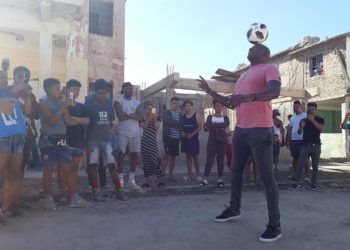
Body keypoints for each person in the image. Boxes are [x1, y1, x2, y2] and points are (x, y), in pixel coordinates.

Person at [198, 43, 282, 242]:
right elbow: (231, 102)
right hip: (241, 131)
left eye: (255, 48)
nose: (250, 49)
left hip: (261, 130)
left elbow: (274, 91)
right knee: (235, 172)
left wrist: (249, 97)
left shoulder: (269, 69)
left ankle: (275, 225)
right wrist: (210, 91)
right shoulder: (243, 77)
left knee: (267, 178)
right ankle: (234, 208)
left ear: (264, 54)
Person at [38, 78, 91, 210]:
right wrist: (64, 106)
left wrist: (73, 114)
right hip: (48, 140)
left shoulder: (61, 103)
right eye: (56, 88)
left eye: (59, 88)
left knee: (68, 169)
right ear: (48, 89)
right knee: (49, 170)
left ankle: (74, 198)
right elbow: (51, 120)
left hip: (62, 140)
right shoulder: (44, 103)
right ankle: (48, 199)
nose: (59, 90)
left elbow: (67, 120)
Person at [85, 79, 126, 201]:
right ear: (95, 92)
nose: (102, 95)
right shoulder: (89, 104)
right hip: (93, 140)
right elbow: (86, 122)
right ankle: (95, 191)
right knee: (93, 166)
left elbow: (111, 121)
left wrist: (110, 134)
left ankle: (119, 191)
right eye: (99, 93)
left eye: (104, 92)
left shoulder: (109, 103)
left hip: (106, 140)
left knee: (112, 165)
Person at [0, 70, 30, 224]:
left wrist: (27, 95)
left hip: (18, 137)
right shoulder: (10, 93)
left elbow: (27, 111)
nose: (4, 80)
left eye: (5, 78)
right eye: (1, 78)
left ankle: (4, 209)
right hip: (2, 138)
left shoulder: (12, 93)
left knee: (14, 175)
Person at [65, 79, 92, 207]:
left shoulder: (81, 106)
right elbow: (67, 122)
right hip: (65, 141)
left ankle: (73, 196)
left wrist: (74, 119)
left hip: (78, 140)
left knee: (74, 169)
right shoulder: (63, 105)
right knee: (66, 170)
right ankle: (72, 196)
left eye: (78, 89)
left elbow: (87, 121)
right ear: (68, 89)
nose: (76, 91)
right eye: (74, 88)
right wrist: (77, 120)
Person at [114, 82, 143, 192]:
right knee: (120, 155)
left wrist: (127, 115)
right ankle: (120, 180)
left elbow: (140, 116)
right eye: (127, 88)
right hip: (122, 132)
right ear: (123, 89)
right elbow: (120, 117)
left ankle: (131, 180)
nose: (130, 90)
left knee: (134, 155)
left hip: (135, 133)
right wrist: (133, 115)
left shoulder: (137, 102)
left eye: (131, 88)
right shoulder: (118, 101)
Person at [290, 102, 324, 191]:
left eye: (313, 109)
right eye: (310, 109)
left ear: (316, 110)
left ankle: (313, 184)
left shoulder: (320, 119)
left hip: (316, 146)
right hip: (305, 146)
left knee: (315, 166)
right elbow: (298, 132)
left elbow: (320, 129)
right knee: (300, 164)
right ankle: (296, 183)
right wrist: (301, 127)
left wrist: (312, 120)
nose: (311, 111)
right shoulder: (303, 120)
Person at [199, 100, 229, 188]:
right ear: (214, 107)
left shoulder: (225, 118)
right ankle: (205, 179)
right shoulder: (209, 117)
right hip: (212, 141)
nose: (218, 108)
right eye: (217, 106)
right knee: (209, 160)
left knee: (220, 160)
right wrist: (220, 128)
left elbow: (226, 124)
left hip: (222, 142)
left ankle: (220, 179)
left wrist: (215, 126)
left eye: (220, 106)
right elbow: (208, 126)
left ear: (222, 108)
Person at [140, 101, 164, 190]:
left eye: (151, 109)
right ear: (144, 109)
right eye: (148, 109)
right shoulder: (142, 118)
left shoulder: (157, 118)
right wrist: (148, 118)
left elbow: (156, 128)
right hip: (144, 142)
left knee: (155, 160)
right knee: (146, 162)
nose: (149, 111)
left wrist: (153, 119)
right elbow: (144, 126)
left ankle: (159, 179)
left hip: (152, 142)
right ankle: (146, 181)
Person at [287, 100, 311, 181]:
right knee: (295, 158)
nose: (295, 108)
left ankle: (307, 176)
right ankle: (295, 175)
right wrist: (289, 141)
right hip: (295, 140)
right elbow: (290, 129)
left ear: (301, 106)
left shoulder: (305, 115)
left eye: (297, 106)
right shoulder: (292, 118)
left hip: (304, 140)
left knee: (306, 158)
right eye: (294, 107)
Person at [161, 96, 183, 181]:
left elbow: (181, 125)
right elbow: (167, 121)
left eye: (177, 104)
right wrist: (176, 123)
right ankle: (162, 174)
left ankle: (170, 175)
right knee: (166, 156)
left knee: (173, 157)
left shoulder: (180, 115)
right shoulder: (166, 113)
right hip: (168, 138)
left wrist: (174, 123)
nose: (176, 105)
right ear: (170, 104)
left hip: (176, 139)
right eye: (174, 103)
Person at [181, 100, 202, 181]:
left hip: (194, 140)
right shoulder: (183, 117)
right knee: (188, 157)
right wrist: (184, 134)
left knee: (195, 157)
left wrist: (192, 134)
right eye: (186, 106)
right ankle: (189, 175)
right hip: (185, 140)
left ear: (191, 106)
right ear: (184, 107)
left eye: (189, 105)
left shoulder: (196, 115)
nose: (187, 107)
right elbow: (182, 128)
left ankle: (198, 175)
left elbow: (200, 127)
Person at [272, 109, 284, 173]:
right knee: (270, 154)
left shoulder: (279, 122)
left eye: (276, 114)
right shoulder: (268, 121)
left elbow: (282, 131)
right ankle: (271, 166)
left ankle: (275, 166)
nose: (275, 115)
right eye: (274, 114)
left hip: (277, 140)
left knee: (276, 154)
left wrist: (283, 139)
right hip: (270, 140)